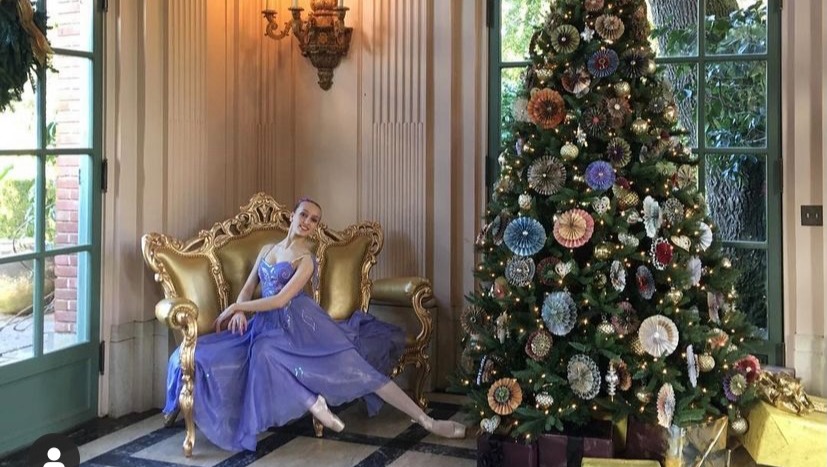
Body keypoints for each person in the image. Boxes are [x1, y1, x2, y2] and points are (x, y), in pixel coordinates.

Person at [164, 198, 465, 452]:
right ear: (293, 216)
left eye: (314, 220)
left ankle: (427, 420)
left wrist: (236, 307)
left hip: (301, 324)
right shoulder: (267, 249)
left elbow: (280, 300)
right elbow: (247, 288)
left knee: (358, 370)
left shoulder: (306, 259)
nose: (307, 222)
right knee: (259, 351)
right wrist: (241, 311)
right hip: (266, 326)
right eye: (304, 215)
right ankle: (314, 403)